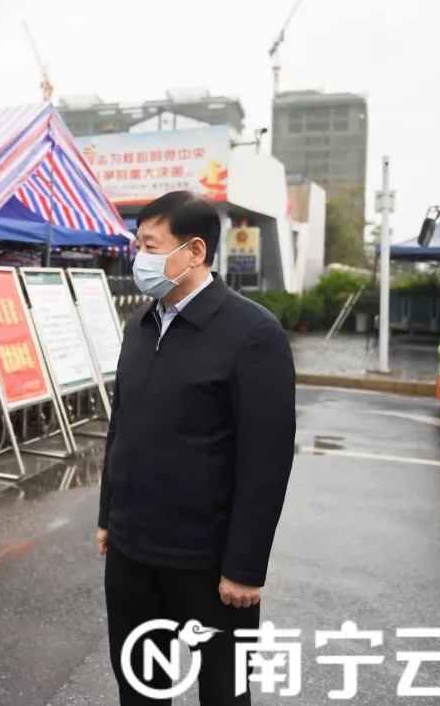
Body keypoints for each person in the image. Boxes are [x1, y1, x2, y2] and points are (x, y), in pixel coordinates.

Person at [98, 191, 296, 706]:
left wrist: (245, 567)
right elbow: (122, 426)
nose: (139, 258)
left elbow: (266, 461)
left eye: (150, 246)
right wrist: (108, 515)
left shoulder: (252, 333)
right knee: (139, 685)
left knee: (224, 691)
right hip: (132, 552)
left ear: (194, 251)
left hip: (207, 562)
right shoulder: (140, 325)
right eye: (138, 245)